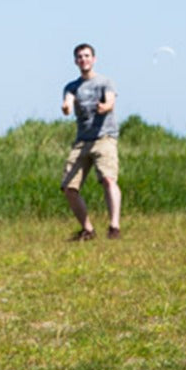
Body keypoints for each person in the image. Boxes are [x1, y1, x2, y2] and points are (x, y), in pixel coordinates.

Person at [60, 42, 122, 241]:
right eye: (80, 57)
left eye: (87, 56)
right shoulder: (71, 87)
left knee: (108, 179)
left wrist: (105, 107)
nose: (83, 59)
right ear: (75, 61)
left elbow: (110, 101)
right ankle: (88, 230)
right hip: (82, 141)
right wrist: (66, 107)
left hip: (104, 138)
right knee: (69, 187)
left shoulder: (105, 82)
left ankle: (114, 227)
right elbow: (68, 103)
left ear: (93, 59)